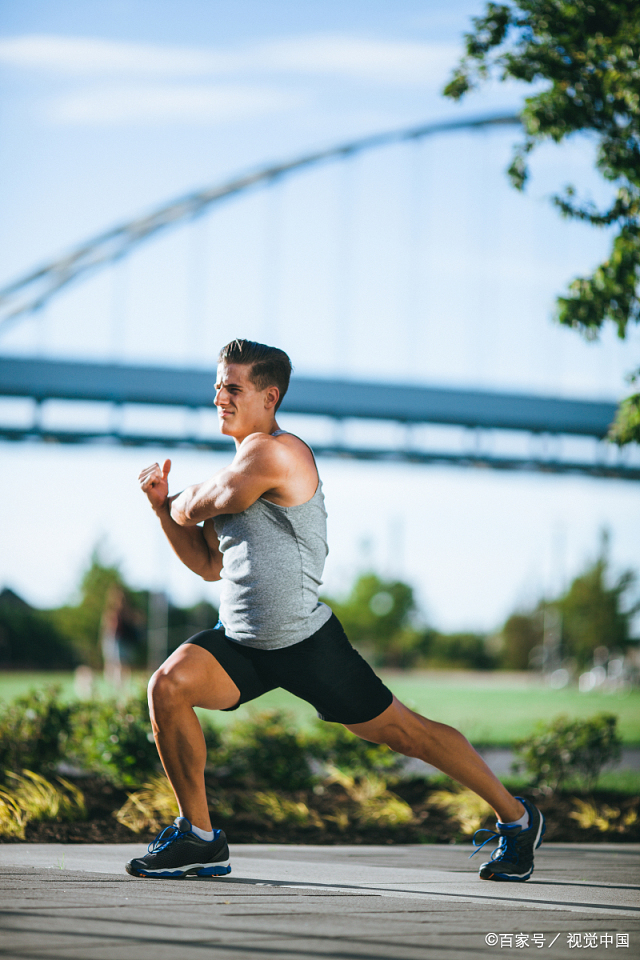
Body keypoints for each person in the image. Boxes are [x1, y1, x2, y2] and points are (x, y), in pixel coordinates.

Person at [129, 339, 544, 881]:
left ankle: (516, 817)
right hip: (240, 643)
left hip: (306, 643)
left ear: (269, 396)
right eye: (217, 388)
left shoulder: (279, 453)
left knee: (404, 733)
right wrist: (165, 511)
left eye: (233, 388)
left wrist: (181, 501)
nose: (219, 399)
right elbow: (208, 563)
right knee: (168, 686)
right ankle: (201, 837)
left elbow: (218, 498)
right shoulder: (228, 472)